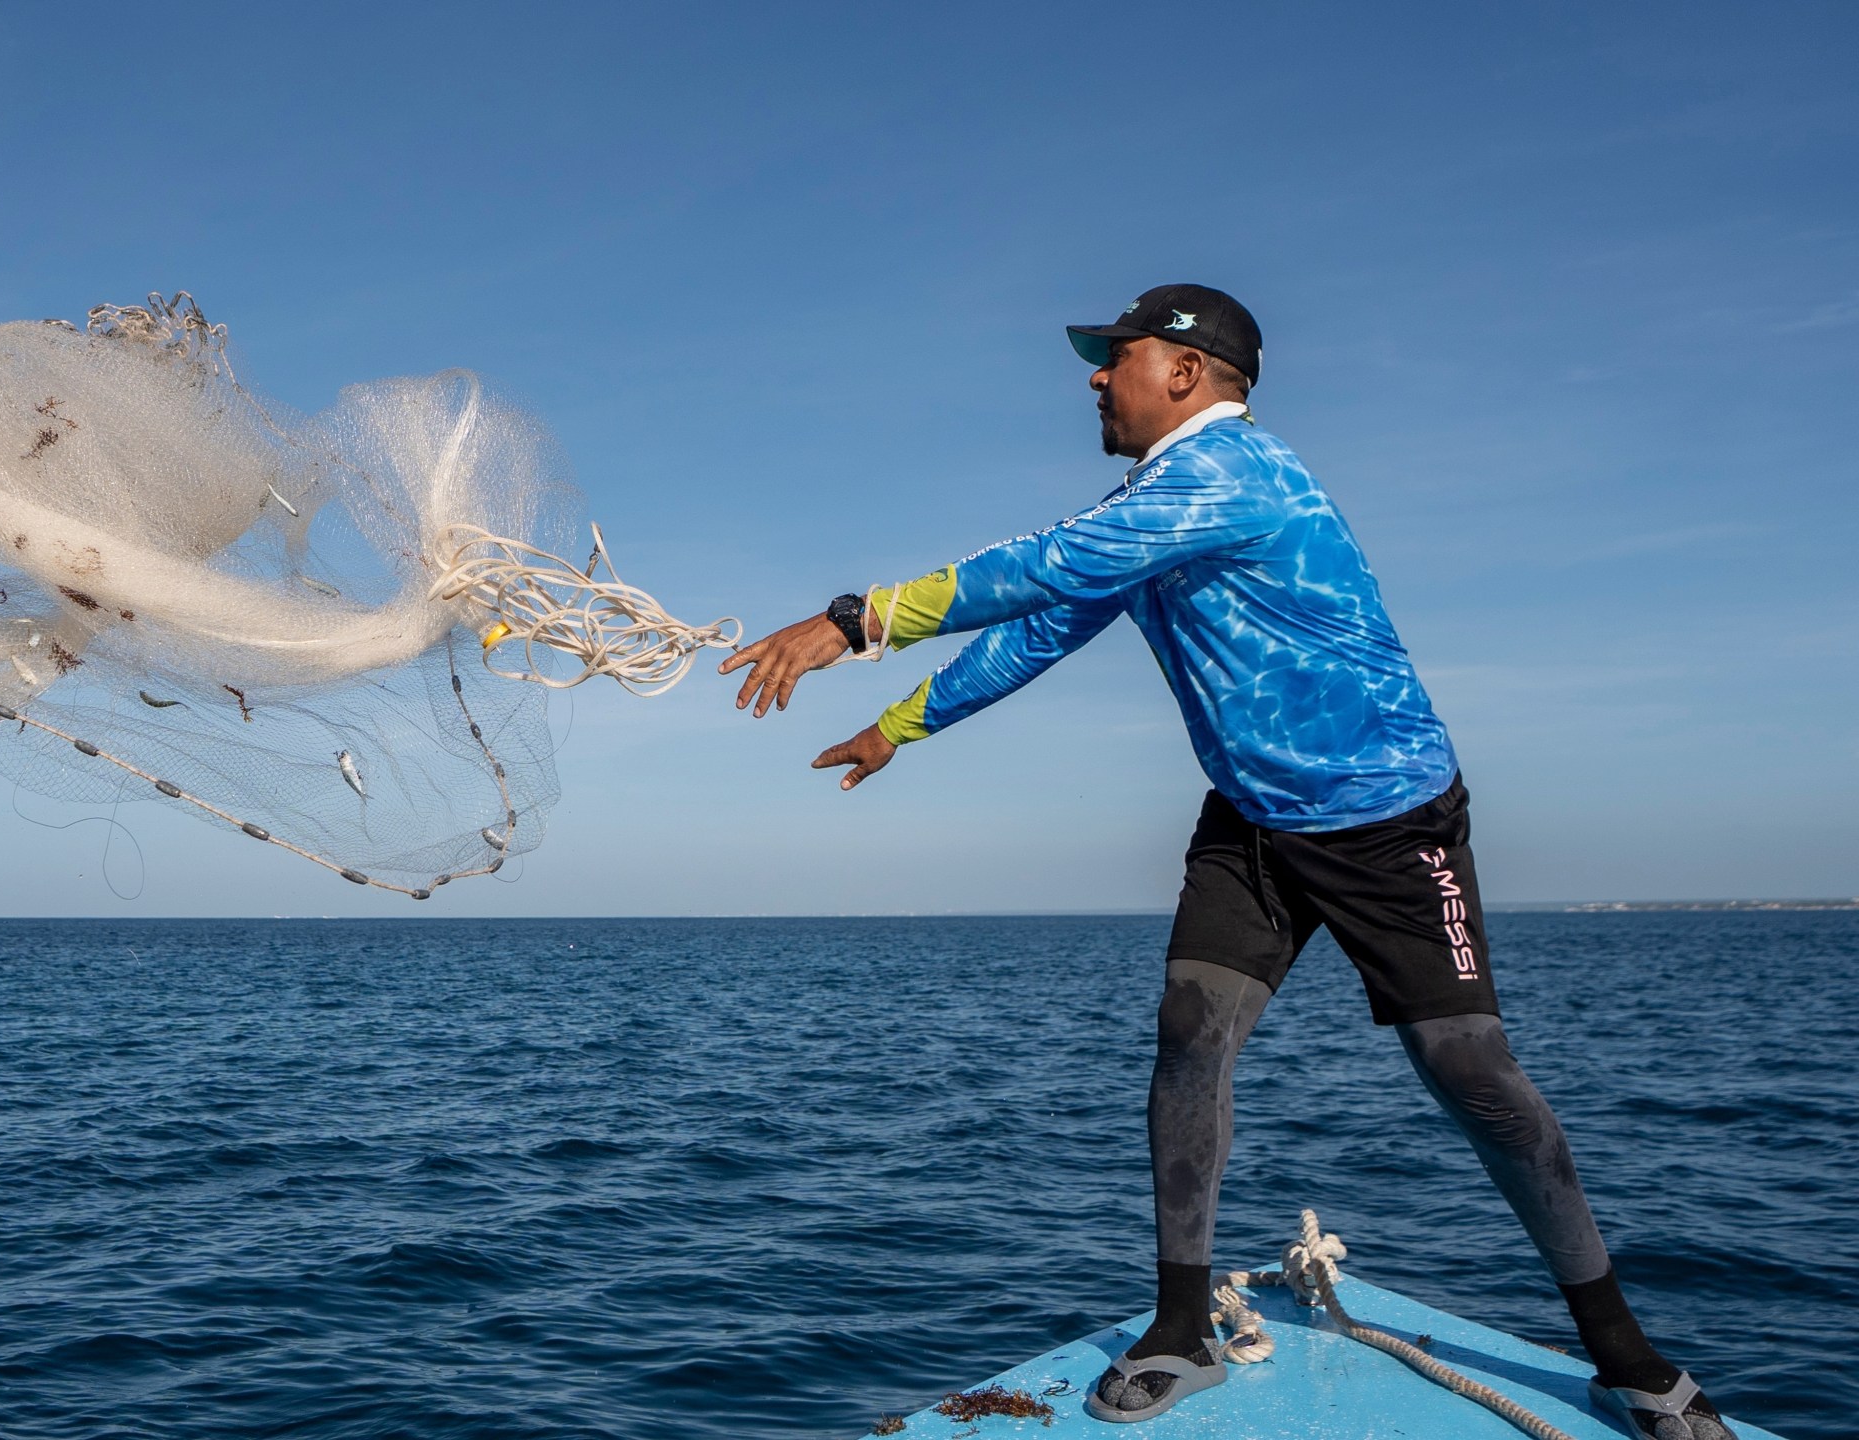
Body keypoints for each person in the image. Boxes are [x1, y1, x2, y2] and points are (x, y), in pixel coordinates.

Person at [717, 284, 1736, 1438]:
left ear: (1188, 375)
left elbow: (1044, 566)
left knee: (1473, 1078)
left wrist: (855, 620)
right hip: (1252, 824)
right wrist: (898, 729)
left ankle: (1624, 1356)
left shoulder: (1231, 478)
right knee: (1189, 1037)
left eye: (1118, 356)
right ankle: (1177, 1326)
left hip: (1385, 823)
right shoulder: (1150, 505)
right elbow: (1047, 622)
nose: (1096, 377)